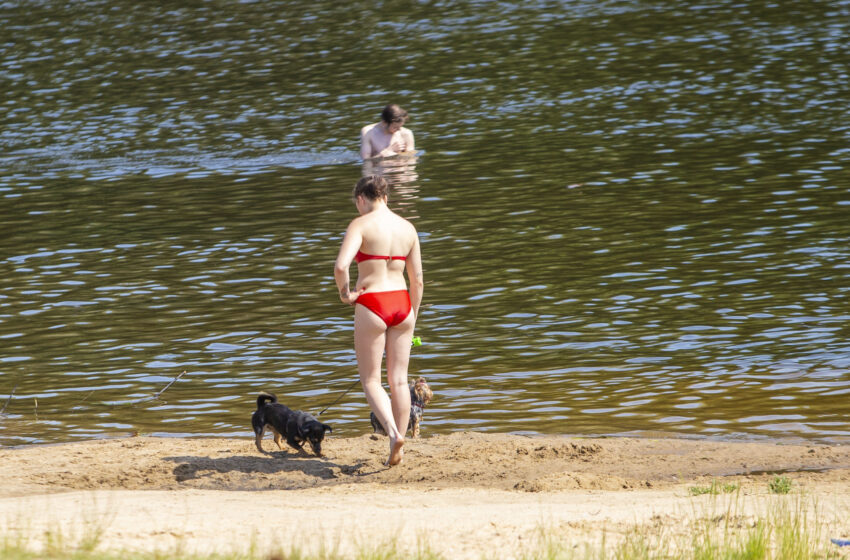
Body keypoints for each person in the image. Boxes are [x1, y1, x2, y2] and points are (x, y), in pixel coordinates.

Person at [334, 175, 423, 466]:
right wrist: (413, 319)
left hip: (373, 302)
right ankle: (400, 447)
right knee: (398, 379)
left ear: (361, 199)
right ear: (386, 197)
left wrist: (346, 294)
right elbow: (418, 281)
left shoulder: (360, 225)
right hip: (403, 304)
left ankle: (394, 433)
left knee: (371, 380)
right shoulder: (408, 228)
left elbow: (340, 266)